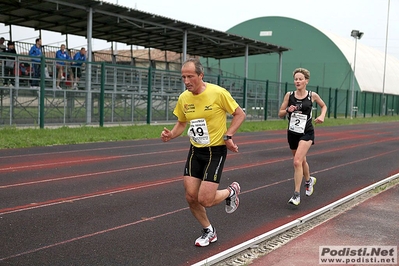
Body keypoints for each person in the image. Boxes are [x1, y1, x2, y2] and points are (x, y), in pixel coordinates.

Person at [161, 58, 246, 247]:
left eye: (190, 76)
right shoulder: (184, 98)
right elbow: (182, 123)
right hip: (195, 151)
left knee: (205, 200)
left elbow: (240, 114)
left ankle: (231, 191)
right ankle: (209, 231)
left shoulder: (218, 93)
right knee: (191, 197)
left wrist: (229, 135)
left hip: (215, 151)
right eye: (183, 77)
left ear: (201, 75)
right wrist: (171, 135)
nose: (186, 81)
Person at [278, 67, 327, 206]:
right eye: (296, 79)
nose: (297, 81)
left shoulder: (312, 95)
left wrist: (322, 116)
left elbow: (324, 106)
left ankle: (296, 195)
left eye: (300, 79)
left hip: (307, 132)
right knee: (302, 161)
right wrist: (288, 109)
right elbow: (280, 113)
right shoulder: (289, 95)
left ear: (306, 81)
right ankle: (309, 180)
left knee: (297, 162)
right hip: (293, 132)